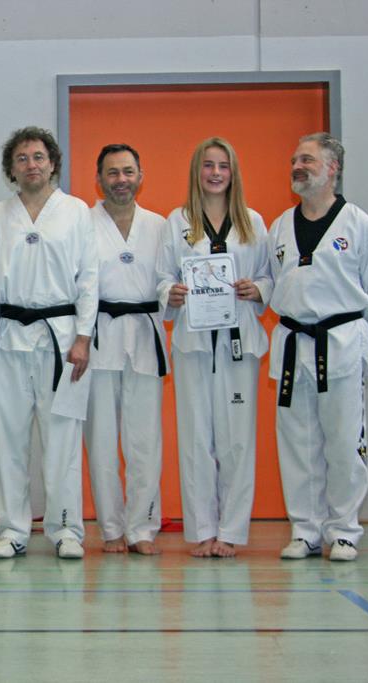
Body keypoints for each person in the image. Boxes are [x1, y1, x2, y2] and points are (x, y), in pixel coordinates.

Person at [269, 133, 368, 562]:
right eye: (294, 160)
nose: (297, 166)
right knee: (298, 444)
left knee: (343, 442)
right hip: (292, 345)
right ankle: (306, 530)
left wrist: (358, 341)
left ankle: (344, 530)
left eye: (307, 159)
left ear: (333, 167)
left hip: (341, 343)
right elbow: (275, 283)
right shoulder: (280, 226)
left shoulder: (360, 226)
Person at [0, 127, 98, 560]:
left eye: (38, 157)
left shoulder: (76, 211)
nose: (31, 165)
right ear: (11, 170)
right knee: (9, 437)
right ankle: (12, 528)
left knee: (62, 437)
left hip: (62, 338)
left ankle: (66, 528)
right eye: (22, 159)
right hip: (10, 334)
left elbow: (89, 278)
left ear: (52, 164)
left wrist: (84, 336)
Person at [156, 137, 271, 558]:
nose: (216, 173)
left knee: (237, 440)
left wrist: (256, 289)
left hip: (238, 342)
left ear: (233, 172)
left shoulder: (253, 222)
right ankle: (203, 530)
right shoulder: (178, 221)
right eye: (208, 165)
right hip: (194, 343)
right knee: (195, 438)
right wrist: (171, 293)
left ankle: (232, 531)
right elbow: (162, 277)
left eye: (223, 165)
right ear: (197, 171)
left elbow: (269, 277)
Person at [83, 144, 168, 555]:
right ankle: (112, 527)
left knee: (145, 439)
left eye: (128, 171)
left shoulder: (160, 226)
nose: (121, 180)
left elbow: (169, 280)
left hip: (145, 335)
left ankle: (143, 527)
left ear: (140, 176)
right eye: (113, 172)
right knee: (100, 438)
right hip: (100, 335)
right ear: (99, 179)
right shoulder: (83, 223)